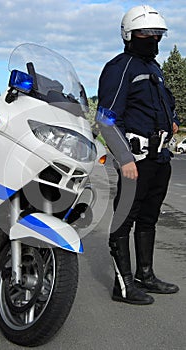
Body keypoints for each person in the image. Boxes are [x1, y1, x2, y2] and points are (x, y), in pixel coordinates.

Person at [96, 5, 180, 305]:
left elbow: (166, 105)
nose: (153, 39)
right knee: (124, 219)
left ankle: (146, 275)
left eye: (158, 34)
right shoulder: (121, 68)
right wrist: (125, 158)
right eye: (146, 33)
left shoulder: (154, 69)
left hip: (160, 159)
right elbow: (106, 120)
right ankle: (123, 286)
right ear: (129, 35)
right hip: (137, 161)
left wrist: (174, 121)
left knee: (148, 219)